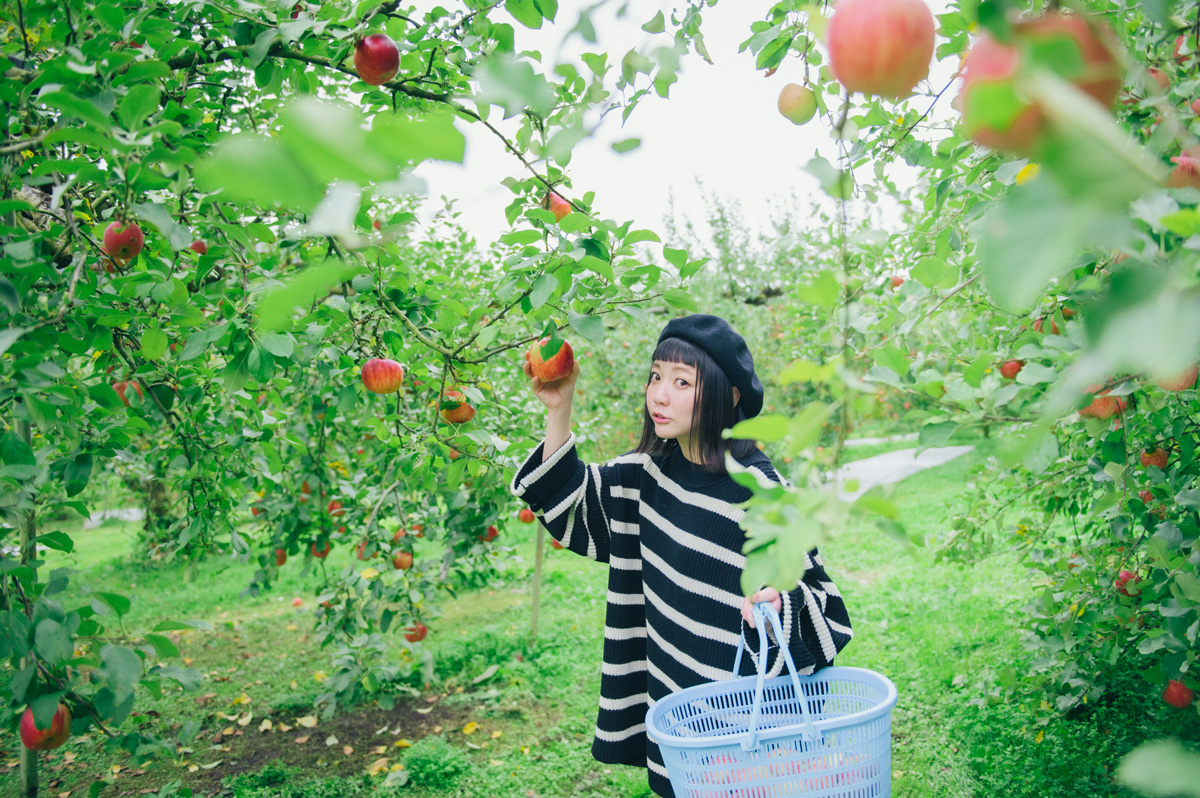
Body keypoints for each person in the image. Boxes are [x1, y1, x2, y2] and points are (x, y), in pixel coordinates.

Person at [510, 314, 853, 798]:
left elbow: (822, 608)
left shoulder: (761, 496)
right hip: (677, 707)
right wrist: (558, 409)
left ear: (728, 396)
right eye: (655, 376)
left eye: (681, 381)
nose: (660, 395)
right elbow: (570, 500)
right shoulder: (645, 475)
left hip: (742, 733)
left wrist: (781, 603)